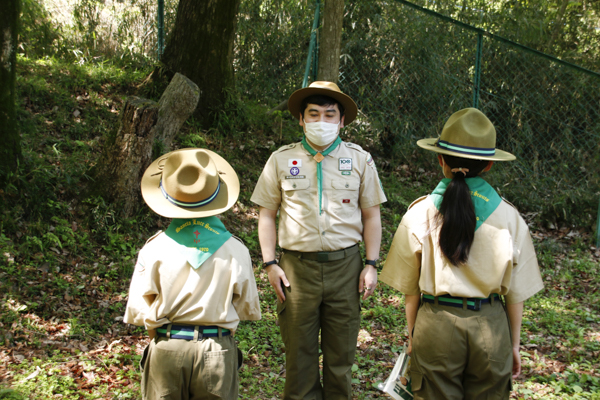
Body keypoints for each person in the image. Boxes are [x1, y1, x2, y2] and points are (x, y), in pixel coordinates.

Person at [380, 108, 544, 400]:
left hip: (436, 326)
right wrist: (514, 345)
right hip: (491, 329)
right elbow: (516, 294)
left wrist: (413, 335)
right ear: (489, 165)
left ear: (440, 159)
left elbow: (409, 290)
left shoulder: (420, 212)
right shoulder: (510, 217)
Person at [251, 81, 387, 400]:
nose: (322, 122)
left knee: (341, 358)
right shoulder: (281, 160)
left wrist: (370, 264)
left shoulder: (359, 160)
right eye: (314, 114)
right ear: (301, 119)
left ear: (341, 121)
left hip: (347, 269)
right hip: (297, 271)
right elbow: (267, 215)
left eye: (330, 115)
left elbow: (372, 216)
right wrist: (270, 263)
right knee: (300, 357)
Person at [123, 148, 261, 400]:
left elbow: (139, 310)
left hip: (167, 348)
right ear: (215, 193)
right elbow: (247, 307)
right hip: (216, 349)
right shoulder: (235, 249)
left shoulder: (154, 248)